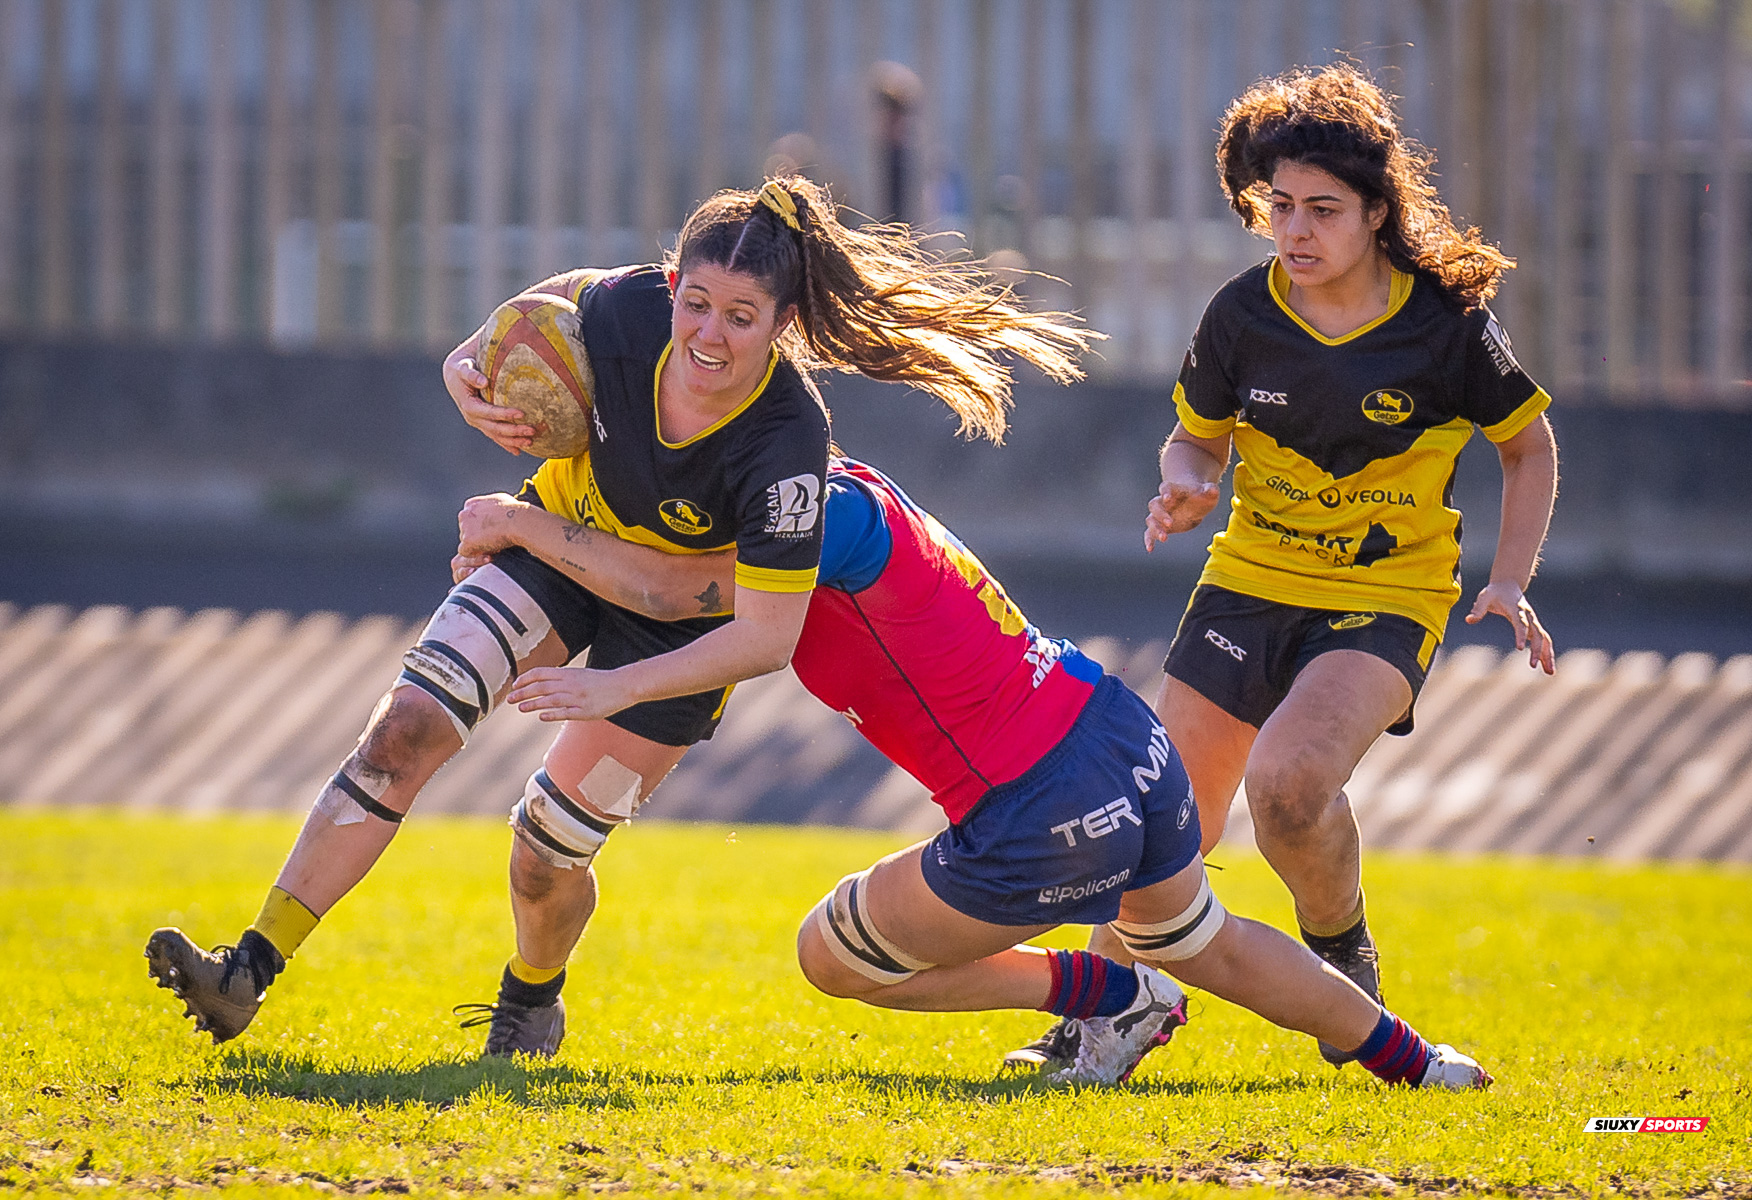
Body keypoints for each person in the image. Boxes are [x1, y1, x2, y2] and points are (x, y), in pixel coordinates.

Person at [143, 177, 1095, 1057]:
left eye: (741, 317)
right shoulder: (628, 305)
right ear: (670, 284)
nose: (709, 337)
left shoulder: (789, 446)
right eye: (696, 305)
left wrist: (603, 670)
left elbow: (750, 631)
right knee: (404, 731)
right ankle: (248, 970)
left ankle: (529, 999)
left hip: (678, 632)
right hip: (557, 540)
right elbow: (534, 312)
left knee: (542, 852)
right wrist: (463, 369)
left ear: (784, 323)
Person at [455, 456, 1492, 1089]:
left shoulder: (816, 516)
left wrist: (520, 527)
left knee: (832, 956)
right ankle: (1419, 1062)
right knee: (1202, 939)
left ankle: (1108, 995)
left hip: (1038, 802)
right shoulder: (847, 486)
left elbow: (672, 591)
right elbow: (653, 576)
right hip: (1119, 733)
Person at [1006, 64, 1559, 1073]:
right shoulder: (1241, 316)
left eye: (1323, 211)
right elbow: (1195, 443)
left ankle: (1341, 946)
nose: (1296, 231)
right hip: (1248, 582)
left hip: (1386, 598)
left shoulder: (1444, 324)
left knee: (1291, 786)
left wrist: (1511, 580)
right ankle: (1109, 1015)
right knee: (1158, 810)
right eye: (1280, 208)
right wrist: (1183, 484)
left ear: (1377, 214)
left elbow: (1529, 448)